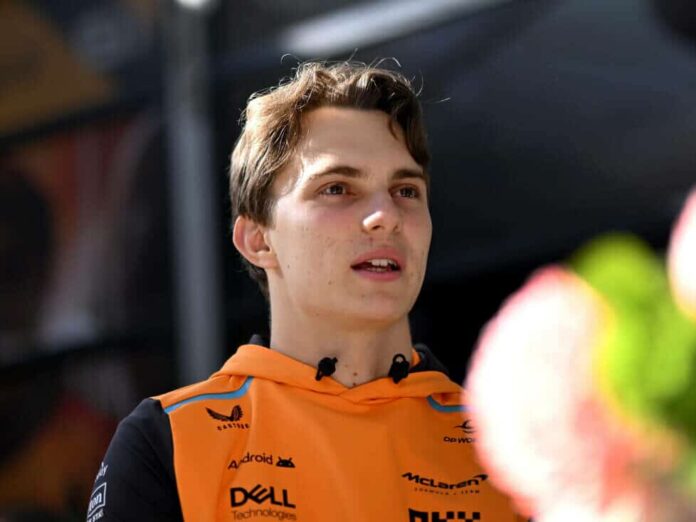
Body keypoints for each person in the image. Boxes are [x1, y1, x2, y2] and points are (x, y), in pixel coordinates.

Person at [87, 60, 526, 522]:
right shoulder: (169, 439)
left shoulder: (516, 449)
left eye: (406, 190)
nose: (386, 215)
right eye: (337, 188)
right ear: (259, 240)